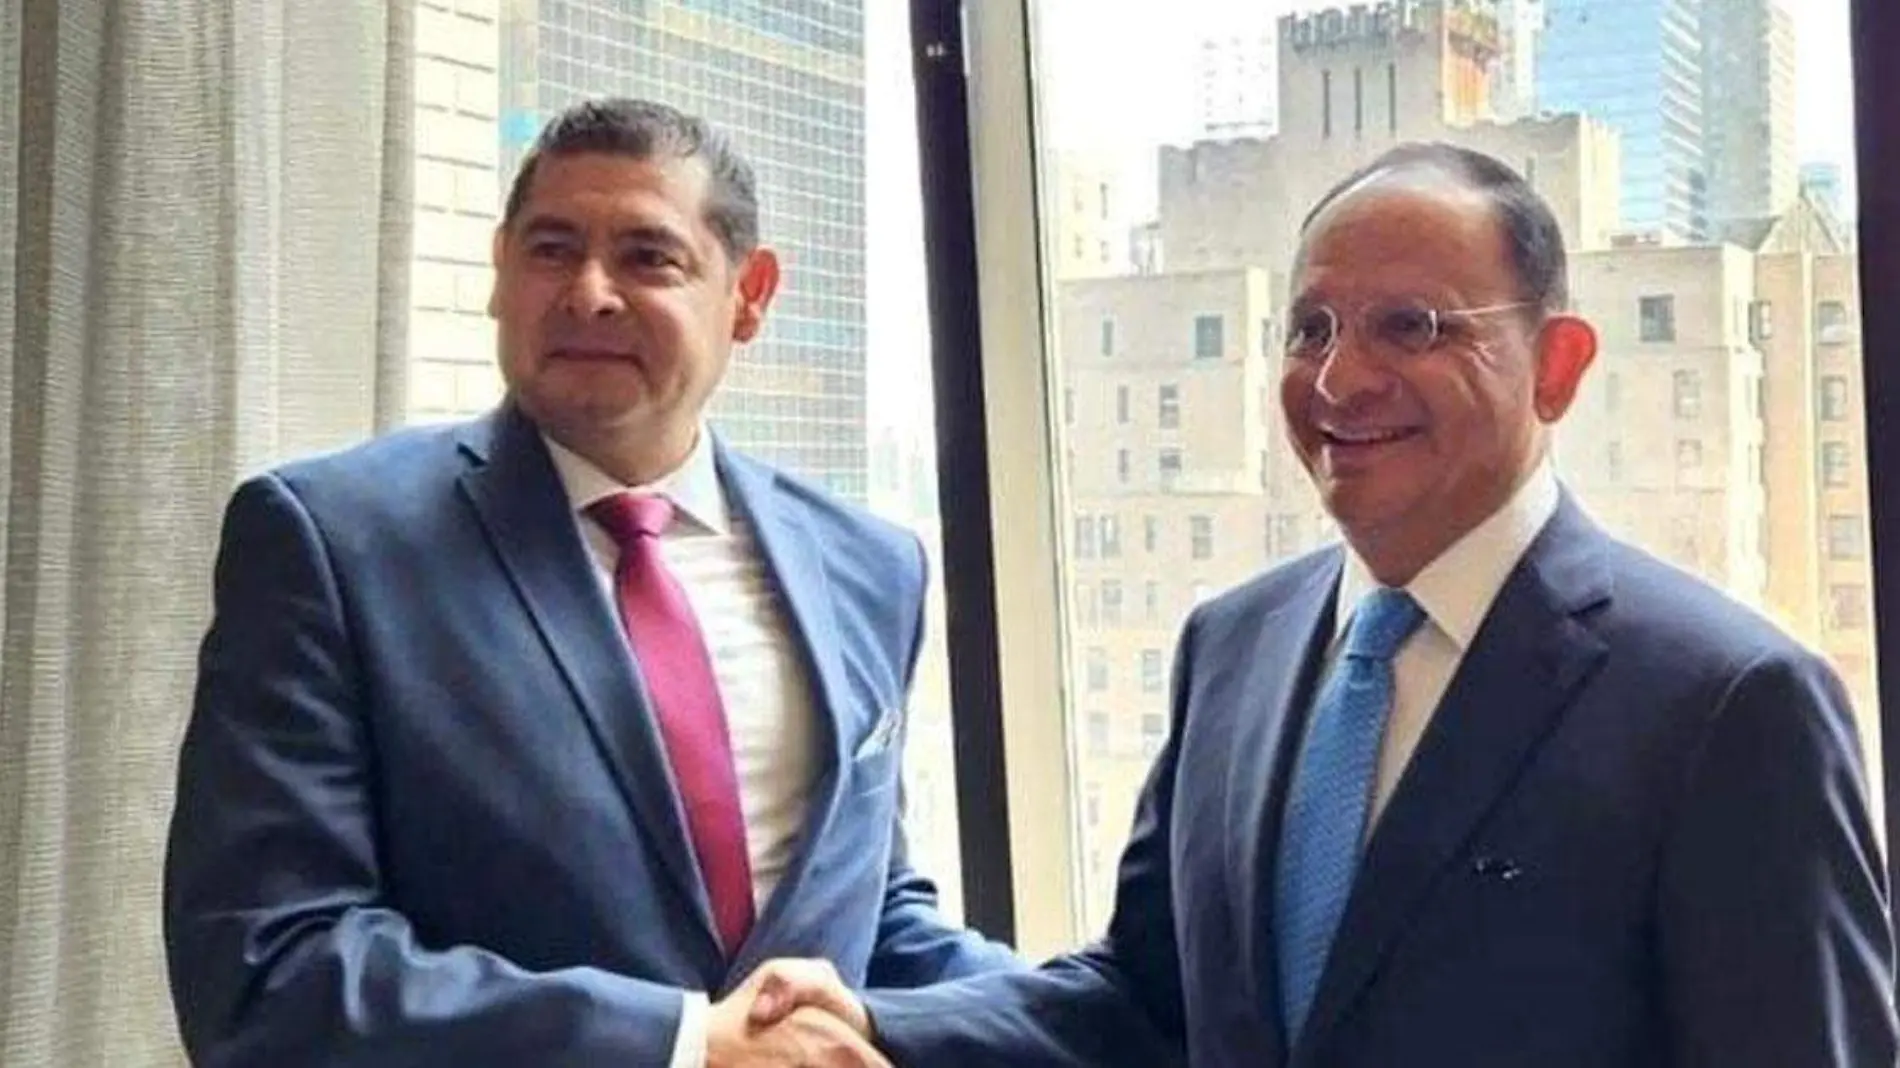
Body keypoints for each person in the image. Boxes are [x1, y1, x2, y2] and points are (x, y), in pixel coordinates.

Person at [751, 143, 1899, 1066]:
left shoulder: (1728, 704)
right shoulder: (1232, 647)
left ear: (1555, 366)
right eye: (1310, 330)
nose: (1340, 378)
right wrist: (874, 1025)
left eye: (1412, 326)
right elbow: (1141, 997)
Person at [163, 97, 1019, 1068]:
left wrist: (1094, 1017)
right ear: (500, 272)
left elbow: (871, 915)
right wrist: (685, 1045)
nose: (589, 293)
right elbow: (269, 970)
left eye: (648, 257)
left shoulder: (868, 566)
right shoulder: (331, 542)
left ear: (750, 295)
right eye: (551, 249)